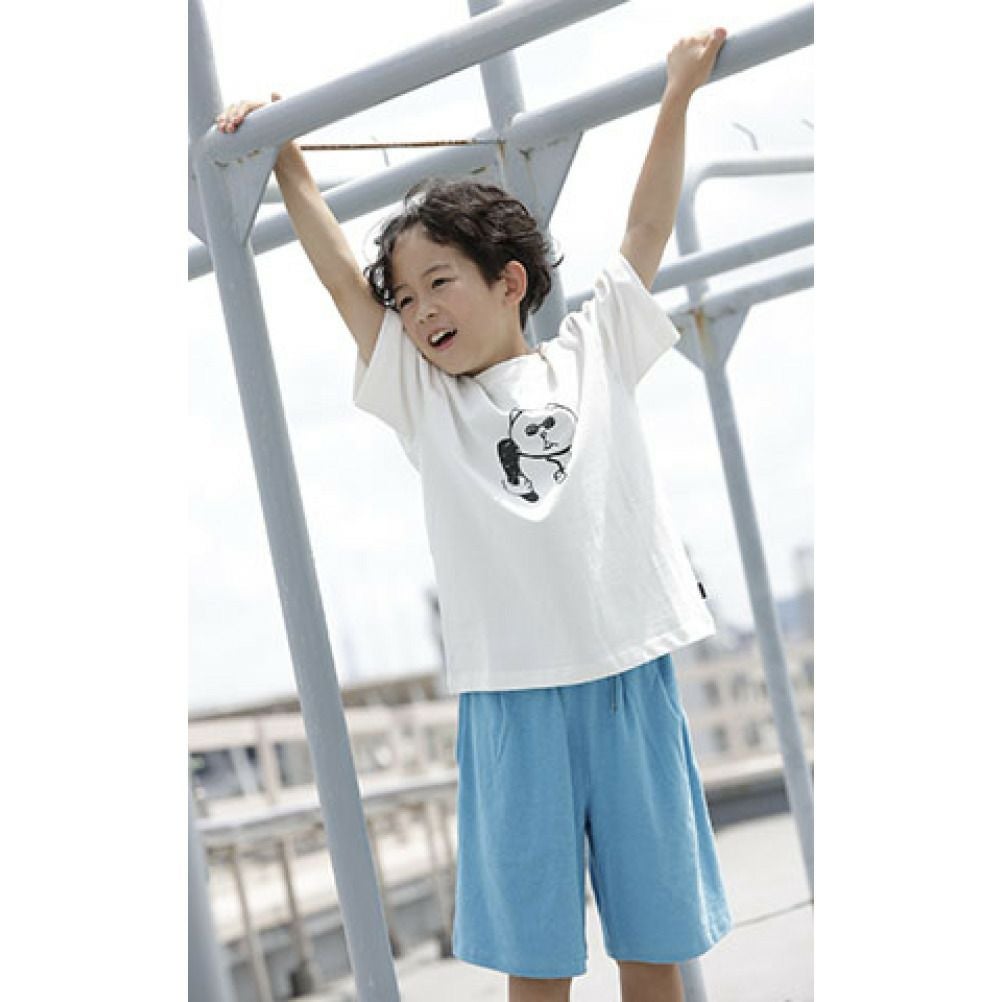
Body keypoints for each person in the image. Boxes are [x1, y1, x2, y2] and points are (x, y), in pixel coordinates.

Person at [218, 26, 731, 1002]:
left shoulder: (595, 350)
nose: (418, 312)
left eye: (438, 284)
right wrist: (287, 160)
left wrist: (677, 95)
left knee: (655, 946)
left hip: (628, 679)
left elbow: (646, 228)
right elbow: (340, 279)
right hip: (511, 701)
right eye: (405, 299)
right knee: (535, 962)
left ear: (510, 281)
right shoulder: (427, 401)